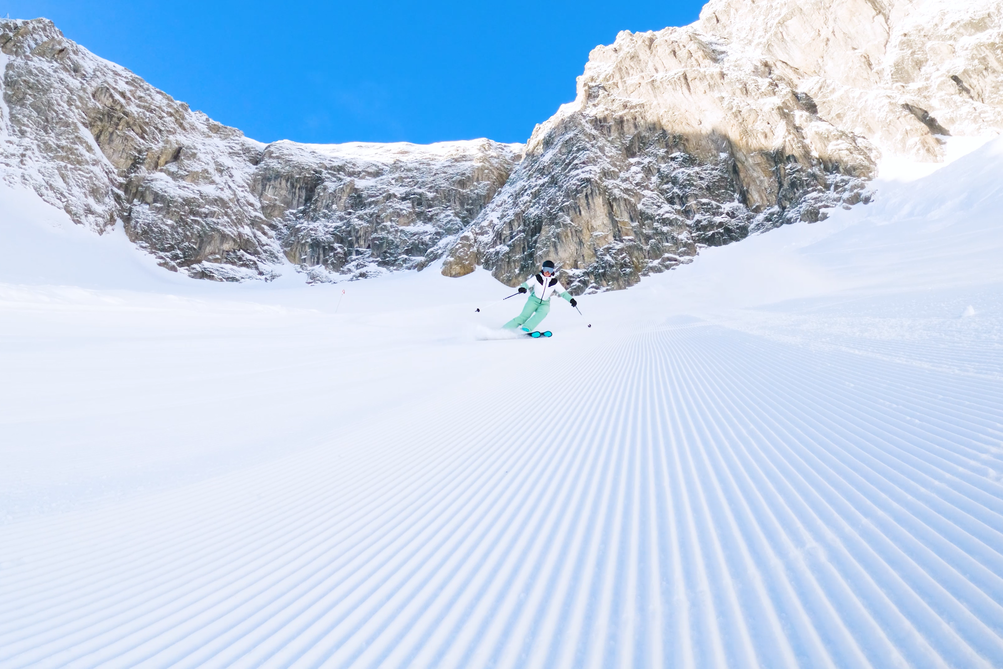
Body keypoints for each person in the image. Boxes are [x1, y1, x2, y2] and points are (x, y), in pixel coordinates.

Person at [503, 260, 578, 332]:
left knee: (543, 312)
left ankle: (526, 328)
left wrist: (571, 300)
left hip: (545, 303)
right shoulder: (537, 278)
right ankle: (504, 329)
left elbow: (563, 293)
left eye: (550, 270)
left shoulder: (554, 282)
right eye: (546, 269)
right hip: (533, 300)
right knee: (524, 317)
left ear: (552, 271)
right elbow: (527, 284)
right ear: (543, 269)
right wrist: (523, 288)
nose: (547, 272)